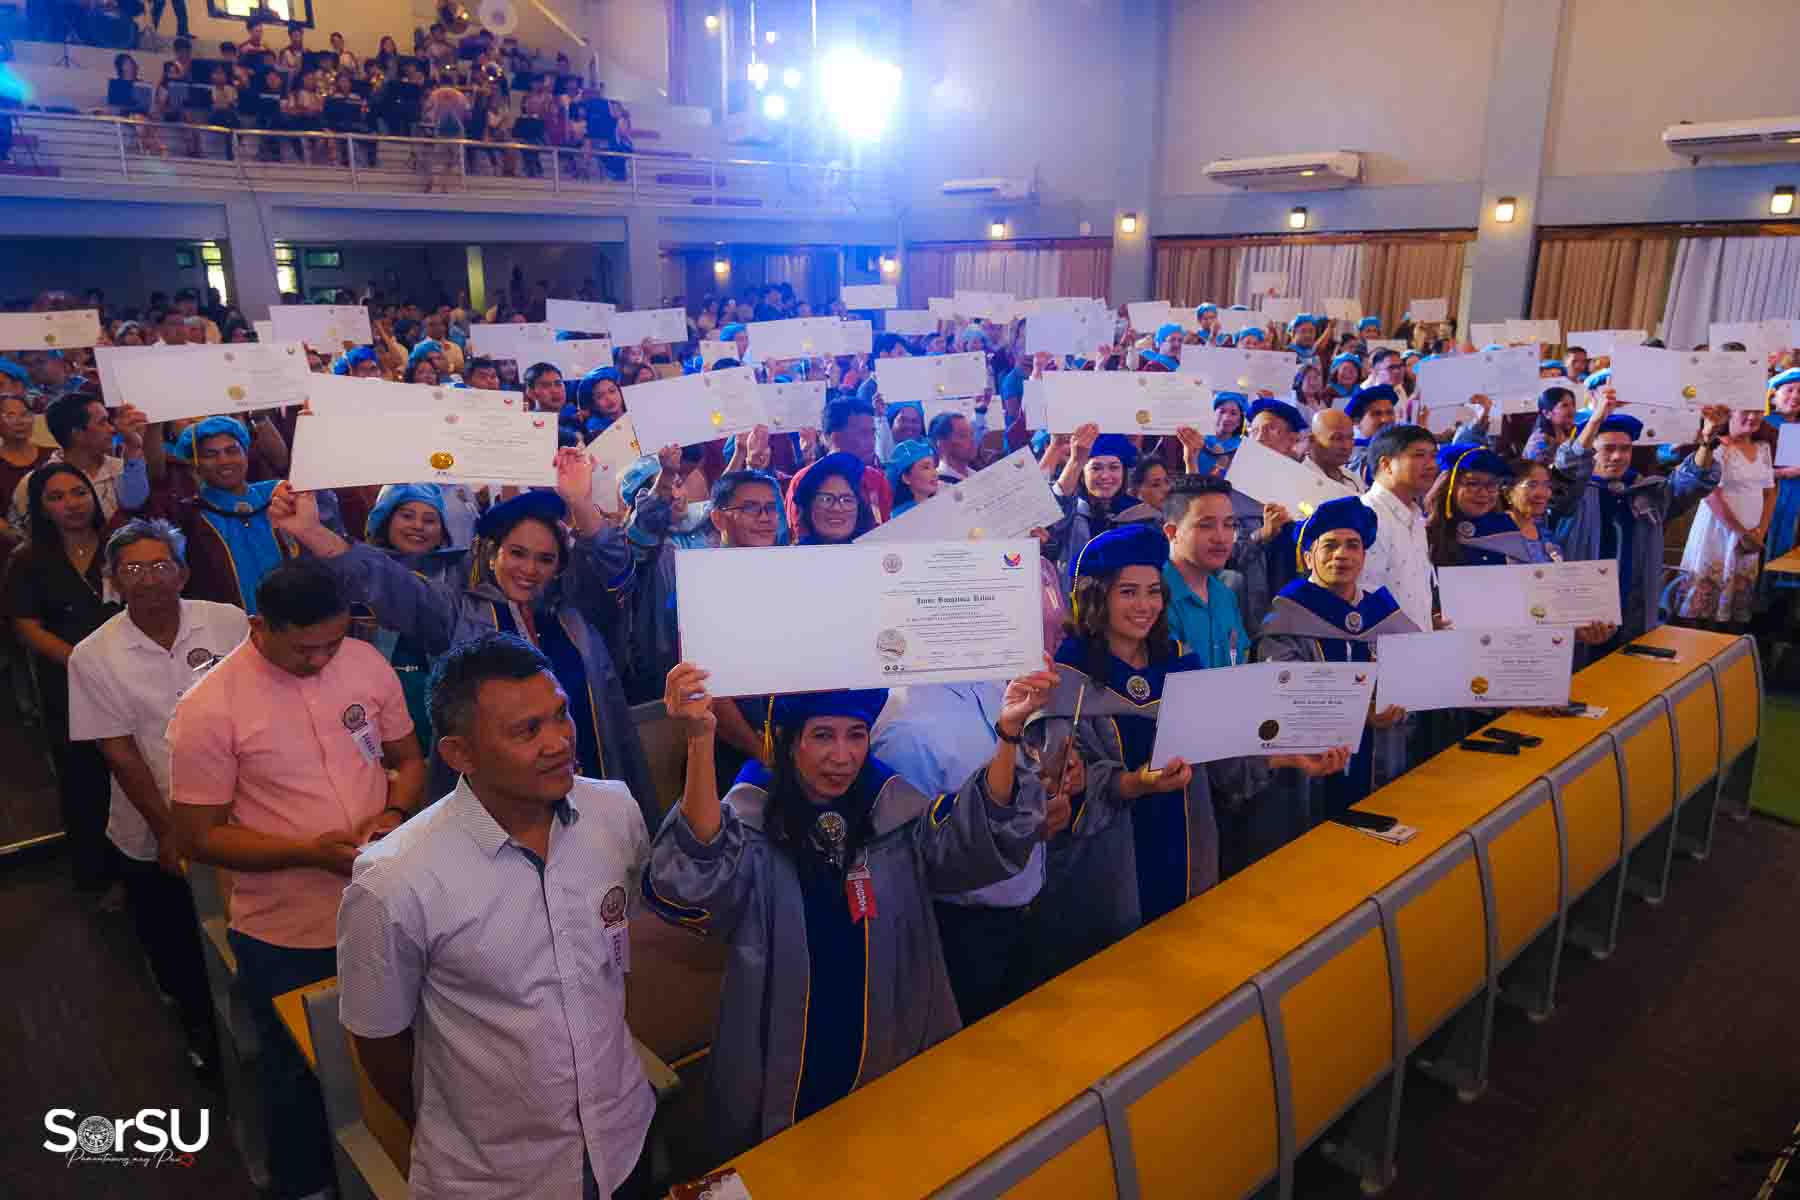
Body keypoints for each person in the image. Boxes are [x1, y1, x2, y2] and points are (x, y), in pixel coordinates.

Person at [645, 660, 1055, 1160]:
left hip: (893, 1045)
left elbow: (971, 841)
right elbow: (694, 883)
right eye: (823, 735)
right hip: (781, 1066)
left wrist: (1009, 734)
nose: (842, 757)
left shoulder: (892, 812)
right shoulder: (751, 822)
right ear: (790, 741)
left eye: (856, 735)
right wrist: (699, 739)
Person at [338, 633, 658, 1199]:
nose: (559, 742)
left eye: (560, 715)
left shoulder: (614, 811)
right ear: (459, 754)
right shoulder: (394, 878)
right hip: (496, 1179)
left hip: (624, 1138)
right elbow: (380, 1041)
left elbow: (612, 953)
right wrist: (464, 1133)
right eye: (527, 731)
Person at [168, 563, 425, 1200]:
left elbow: (409, 759)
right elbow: (199, 837)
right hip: (287, 924)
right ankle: (306, 1184)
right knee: (298, 1072)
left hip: (387, 900)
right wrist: (308, 853)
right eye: (303, 648)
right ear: (260, 626)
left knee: (406, 1045)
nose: (320, 660)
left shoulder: (364, 663)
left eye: (332, 643)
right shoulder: (209, 708)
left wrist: (394, 814)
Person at [1026, 524, 1343, 973]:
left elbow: (1221, 754)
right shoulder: (1067, 682)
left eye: (1153, 592)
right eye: (1128, 592)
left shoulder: (1178, 663)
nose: (1145, 606)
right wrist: (1133, 783)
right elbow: (1062, 791)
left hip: (1193, 854)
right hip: (1106, 875)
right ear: (1098, 597)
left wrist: (1288, 756)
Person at [267, 456, 656, 817]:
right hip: (500, 811)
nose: (529, 569)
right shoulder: (459, 614)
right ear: (492, 554)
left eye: (545, 559)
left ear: (558, 567)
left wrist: (579, 502)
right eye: (517, 553)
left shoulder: (576, 615)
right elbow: (385, 580)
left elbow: (615, 568)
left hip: (587, 791)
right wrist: (312, 532)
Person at [66, 519, 245, 1076]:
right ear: (113, 579)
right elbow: (120, 753)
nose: (148, 579)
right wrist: (170, 831)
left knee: (241, 930)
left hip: (238, 809)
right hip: (149, 821)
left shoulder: (227, 622)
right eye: (133, 569)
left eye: (161, 565)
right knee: (176, 943)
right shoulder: (93, 655)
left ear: (183, 573)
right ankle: (200, 1034)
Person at [1255, 497, 1414, 831]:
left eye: (1352, 545)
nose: (1342, 554)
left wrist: (1400, 708)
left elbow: (1414, 686)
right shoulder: (1286, 617)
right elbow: (1284, 695)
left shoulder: (1384, 615)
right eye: (1329, 545)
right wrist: (1363, 714)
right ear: (1308, 556)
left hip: (1381, 769)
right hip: (1307, 781)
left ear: (1364, 557)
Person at [3, 465, 123, 897]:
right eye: (56, 497)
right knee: (85, 781)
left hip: (130, 675)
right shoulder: (29, 560)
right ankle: (99, 878)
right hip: (69, 682)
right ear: (40, 508)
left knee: (137, 770)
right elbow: (26, 626)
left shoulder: (118, 545)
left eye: (78, 492)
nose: (71, 504)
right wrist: (80, 661)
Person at [1550, 400, 1724, 653]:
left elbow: (1691, 484)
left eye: (1625, 449)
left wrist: (1707, 442)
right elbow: (1567, 470)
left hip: (1634, 610)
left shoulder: (1645, 492)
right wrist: (1595, 420)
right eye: (1608, 448)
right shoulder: (1570, 496)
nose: (1618, 456)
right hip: (1582, 613)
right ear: (1590, 451)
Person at [143, 416, 288, 611]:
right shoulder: (188, 515)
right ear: (195, 463)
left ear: (245, 453)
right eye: (210, 455)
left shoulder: (277, 497)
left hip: (292, 619)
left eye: (232, 451)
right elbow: (154, 477)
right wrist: (153, 425)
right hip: (226, 625)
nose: (224, 461)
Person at [1673, 408, 1774, 630]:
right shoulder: (1715, 447)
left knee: (1735, 610)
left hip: (1752, 534)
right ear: (1730, 414)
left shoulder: (1763, 448)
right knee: (1701, 608)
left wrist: (1760, 531)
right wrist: (1741, 533)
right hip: (1717, 531)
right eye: (1746, 411)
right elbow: (1710, 495)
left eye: (1758, 412)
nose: (1753, 417)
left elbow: (1769, 492)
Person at [8, 393, 149, 536]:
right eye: (102, 423)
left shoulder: (123, 469)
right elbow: (22, 536)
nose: (112, 429)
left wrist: (133, 448)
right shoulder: (34, 482)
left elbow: (136, 507)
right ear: (77, 434)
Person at [1223, 398, 1309, 629]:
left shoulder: (1307, 485)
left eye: (1271, 429)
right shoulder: (1231, 489)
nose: (1260, 437)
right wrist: (1262, 534)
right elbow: (1227, 558)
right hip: (1250, 600)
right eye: (1254, 430)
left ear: (1292, 439)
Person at [1358, 423, 1440, 635]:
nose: (1431, 465)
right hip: (1384, 647)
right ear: (1386, 464)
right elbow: (1365, 595)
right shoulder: (1367, 516)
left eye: (1433, 456)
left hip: (1416, 644)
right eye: (1419, 455)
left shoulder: (1415, 517)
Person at [1160, 474, 1248, 668]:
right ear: (1172, 533)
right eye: (1206, 526)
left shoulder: (1225, 595)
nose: (1221, 538)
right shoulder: (1155, 598)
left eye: (1228, 525)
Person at [1052, 426, 1162, 576]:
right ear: (1082, 475)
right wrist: (1076, 461)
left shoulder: (1143, 517)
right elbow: (1053, 514)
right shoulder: (1070, 515)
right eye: (1096, 468)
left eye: (1114, 467)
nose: (1105, 476)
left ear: (1123, 473)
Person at [1762, 368, 1800, 614]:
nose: (1795, 396)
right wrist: (1783, 473)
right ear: (1773, 395)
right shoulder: (1762, 425)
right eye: (1790, 390)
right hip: (1768, 499)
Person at [790, 450, 878, 544]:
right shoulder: (797, 552)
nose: (836, 508)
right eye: (826, 499)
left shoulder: (873, 549)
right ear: (809, 507)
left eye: (846, 500)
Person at [1345, 384, 1400, 487]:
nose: (1385, 419)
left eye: (1389, 412)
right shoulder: (1351, 451)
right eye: (1376, 414)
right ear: (1356, 422)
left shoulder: (1395, 445)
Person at [1304, 408, 1365, 500]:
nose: (1346, 446)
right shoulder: (1301, 475)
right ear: (1312, 440)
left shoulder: (1354, 480)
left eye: (1350, 437)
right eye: (1337, 438)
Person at [1523, 383, 1579, 465]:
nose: (1572, 410)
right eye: (1564, 405)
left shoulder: (1573, 431)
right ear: (1547, 414)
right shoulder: (1538, 442)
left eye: (1573, 404)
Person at [886, 438, 938, 518]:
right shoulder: (899, 518)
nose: (935, 473)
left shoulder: (941, 503)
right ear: (906, 478)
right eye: (926, 467)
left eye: (934, 467)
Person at [928, 411, 981, 486]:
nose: (972, 440)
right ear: (942, 444)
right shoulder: (937, 486)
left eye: (971, 434)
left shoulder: (977, 475)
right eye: (963, 435)